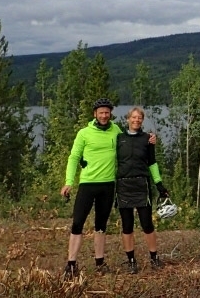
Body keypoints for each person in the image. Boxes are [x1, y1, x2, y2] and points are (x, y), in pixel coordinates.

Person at [60, 98, 121, 278]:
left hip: (108, 185)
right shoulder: (84, 133)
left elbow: (130, 144)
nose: (104, 115)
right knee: (77, 223)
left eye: (107, 112)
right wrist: (69, 182)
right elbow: (73, 157)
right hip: (87, 184)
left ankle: (100, 262)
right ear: (95, 114)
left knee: (101, 225)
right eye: (101, 112)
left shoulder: (116, 130)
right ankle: (71, 264)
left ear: (110, 114)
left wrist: (148, 139)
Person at [115, 106, 169, 273]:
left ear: (142, 120)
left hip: (141, 184)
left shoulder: (147, 139)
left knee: (147, 224)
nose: (136, 120)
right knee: (127, 226)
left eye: (139, 118)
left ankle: (154, 258)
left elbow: (152, 163)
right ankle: (131, 261)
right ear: (127, 119)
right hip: (123, 184)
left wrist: (159, 184)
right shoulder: (118, 138)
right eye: (134, 117)